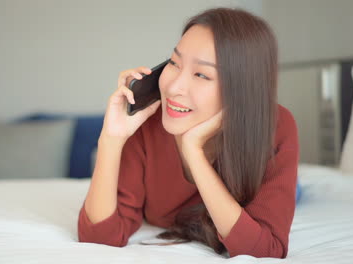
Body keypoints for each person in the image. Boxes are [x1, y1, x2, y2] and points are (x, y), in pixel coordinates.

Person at [77, 7, 299, 259]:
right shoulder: (148, 122)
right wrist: (111, 139)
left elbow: (266, 250)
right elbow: (98, 238)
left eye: (201, 74)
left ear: (240, 91)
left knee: (295, 192)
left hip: (253, 170)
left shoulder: (276, 125)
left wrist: (194, 152)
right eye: (174, 62)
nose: (173, 87)